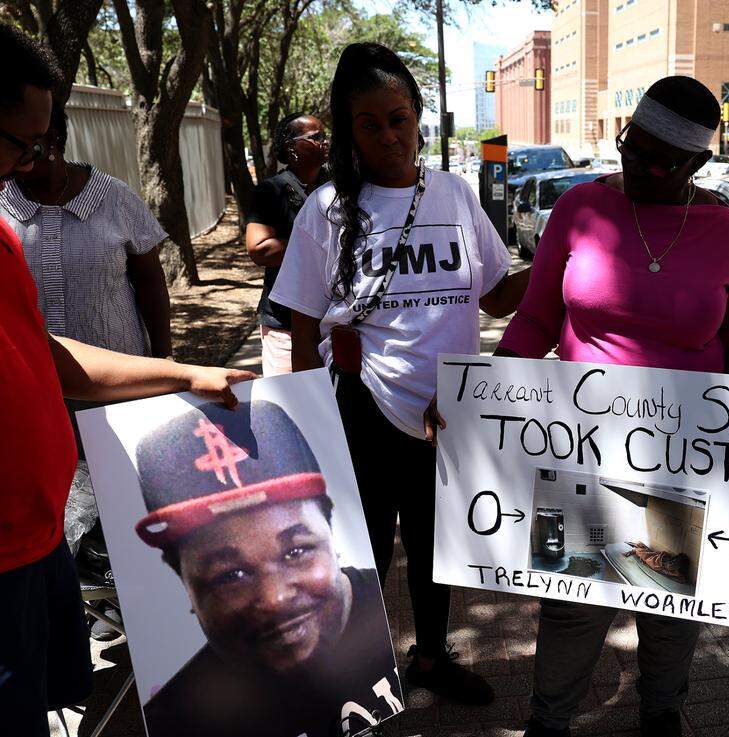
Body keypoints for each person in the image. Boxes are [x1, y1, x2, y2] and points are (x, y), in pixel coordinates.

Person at [492, 76, 729, 737]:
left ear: (700, 163)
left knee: (669, 601)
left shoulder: (728, 230)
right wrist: (486, 401)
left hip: (681, 451)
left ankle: (662, 712)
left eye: (658, 159)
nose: (637, 167)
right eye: (630, 148)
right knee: (572, 603)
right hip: (579, 446)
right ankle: (550, 720)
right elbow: (533, 320)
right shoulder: (579, 210)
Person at [0, 23, 255, 737]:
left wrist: (182, 373)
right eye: (19, 143)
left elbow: (45, 352)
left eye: (41, 144)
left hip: (32, 536)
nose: (28, 163)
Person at [270, 42, 530, 706]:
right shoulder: (326, 209)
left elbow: (497, 295)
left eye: (399, 118)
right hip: (366, 406)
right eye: (370, 123)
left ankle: (433, 659)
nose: (389, 135)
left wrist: (562, 260)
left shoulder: (455, 194)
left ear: (419, 117)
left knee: (439, 545)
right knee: (366, 552)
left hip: (451, 411)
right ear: (349, 130)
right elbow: (302, 328)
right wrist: (312, 428)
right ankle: (350, 679)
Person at [137, 400, 402, 737]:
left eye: (296, 550)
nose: (275, 599)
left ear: (330, 529)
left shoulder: (379, 621)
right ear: (182, 579)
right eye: (229, 575)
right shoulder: (177, 721)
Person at [1, 97, 173, 569]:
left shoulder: (114, 198)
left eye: (35, 148)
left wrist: (164, 363)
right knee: (60, 501)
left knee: (124, 499)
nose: (23, 163)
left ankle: (131, 605)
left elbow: (151, 284)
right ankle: (88, 599)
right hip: (40, 395)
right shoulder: (1, 205)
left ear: (54, 140)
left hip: (118, 387)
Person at [246, 112, 330, 376]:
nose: (325, 142)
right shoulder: (271, 191)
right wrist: (316, 245)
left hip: (332, 322)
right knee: (292, 404)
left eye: (325, 137)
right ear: (291, 148)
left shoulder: (338, 185)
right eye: (316, 138)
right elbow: (260, 249)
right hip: (285, 323)